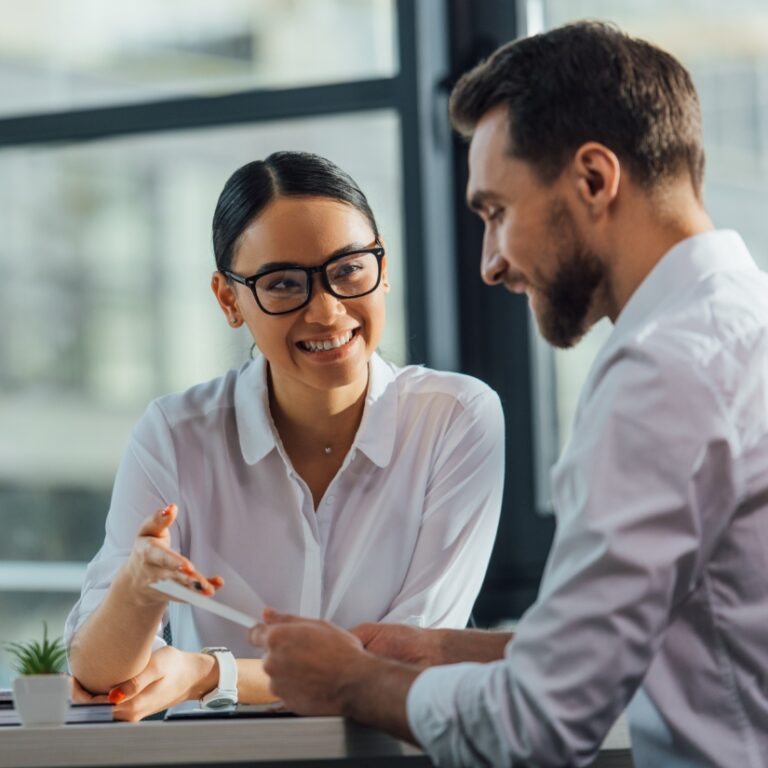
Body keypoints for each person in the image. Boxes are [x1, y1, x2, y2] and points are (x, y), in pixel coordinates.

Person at [249, 23, 768, 768]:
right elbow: (695, 637)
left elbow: (537, 725)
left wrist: (351, 682)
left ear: (594, 180)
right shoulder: (744, 327)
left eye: (497, 212)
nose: (490, 263)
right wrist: (445, 651)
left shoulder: (661, 374)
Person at [64, 151, 504, 721]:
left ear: (383, 264)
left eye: (349, 269)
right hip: (219, 760)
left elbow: (411, 656)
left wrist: (212, 673)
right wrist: (137, 591)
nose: (327, 311)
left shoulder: (456, 418)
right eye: (283, 284)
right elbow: (96, 675)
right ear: (229, 300)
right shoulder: (174, 434)